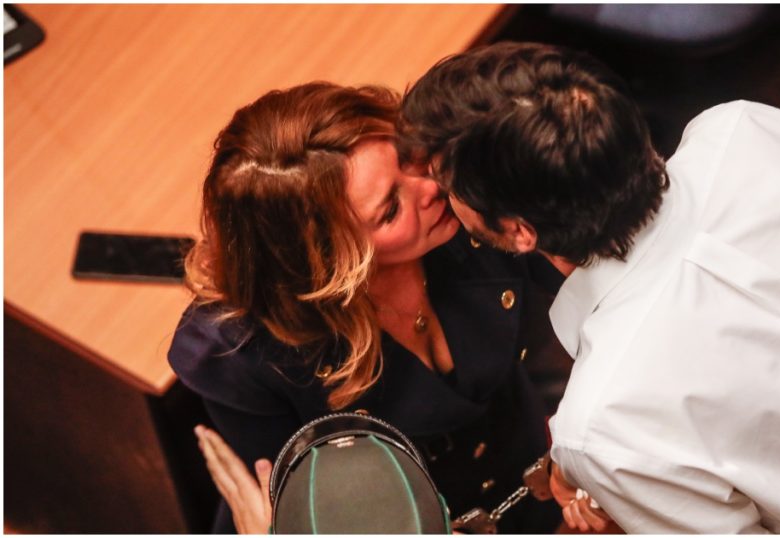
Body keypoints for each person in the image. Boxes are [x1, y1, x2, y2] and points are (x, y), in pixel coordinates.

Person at [397, 41, 780, 533]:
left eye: (447, 183)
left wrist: (623, 485)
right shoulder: (747, 129)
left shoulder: (606, 422)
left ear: (520, 231)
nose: (433, 193)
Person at [168, 82, 566, 534]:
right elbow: (310, 513)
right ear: (329, 260)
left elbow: (594, 281)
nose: (431, 186)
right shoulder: (247, 355)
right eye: (391, 209)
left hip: (536, 473)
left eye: (409, 159)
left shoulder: (461, 199)